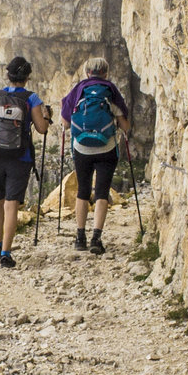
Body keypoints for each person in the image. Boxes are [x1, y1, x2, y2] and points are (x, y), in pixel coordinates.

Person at [0, 56, 50, 268]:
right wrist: (46, 116)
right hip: (20, 157)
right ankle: (6, 253)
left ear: (8, 75)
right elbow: (42, 129)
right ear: (27, 77)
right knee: (12, 205)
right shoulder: (32, 98)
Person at [59, 57, 131, 255]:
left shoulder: (78, 89)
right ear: (105, 73)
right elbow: (125, 126)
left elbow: (65, 123)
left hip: (82, 148)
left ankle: (79, 237)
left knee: (83, 190)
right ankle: (96, 238)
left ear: (87, 72)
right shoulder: (111, 90)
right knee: (101, 191)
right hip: (106, 148)